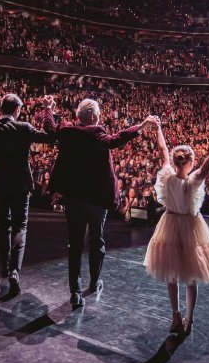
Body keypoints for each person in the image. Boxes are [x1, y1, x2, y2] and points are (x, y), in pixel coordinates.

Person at [43, 96, 158, 308]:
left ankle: (75, 292)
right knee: (97, 241)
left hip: (73, 198)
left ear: (78, 116)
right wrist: (141, 126)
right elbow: (115, 140)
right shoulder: (96, 133)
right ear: (95, 116)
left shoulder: (67, 131)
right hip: (96, 200)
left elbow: (50, 127)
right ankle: (94, 283)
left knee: (75, 245)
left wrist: (48, 108)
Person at [144, 118, 209, 337]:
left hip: (170, 223)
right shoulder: (194, 180)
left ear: (175, 160)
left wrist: (159, 128)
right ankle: (189, 319)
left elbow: (162, 149)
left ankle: (175, 315)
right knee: (191, 275)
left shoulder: (168, 177)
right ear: (190, 163)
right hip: (191, 226)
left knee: (170, 272)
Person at [0, 93, 54, 295]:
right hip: (21, 186)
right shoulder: (23, 128)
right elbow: (50, 137)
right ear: (17, 109)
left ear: (1, 110)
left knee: (3, 224)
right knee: (20, 226)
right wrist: (48, 109)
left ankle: (5, 267)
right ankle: (15, 270)